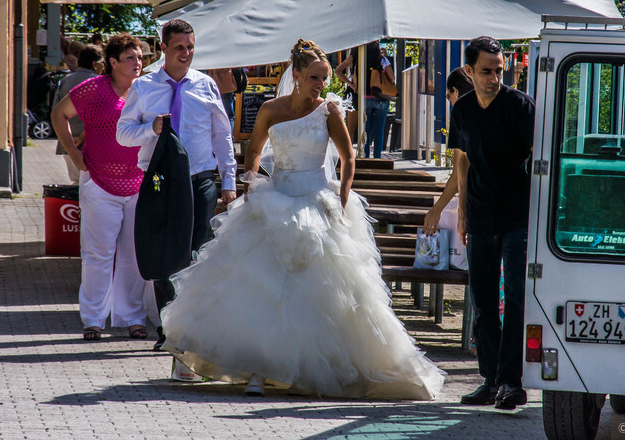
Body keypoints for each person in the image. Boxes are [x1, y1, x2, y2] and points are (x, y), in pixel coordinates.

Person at [161, 39, 445, 399]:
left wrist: (341, 202)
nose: (319, 85)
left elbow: (348, 158)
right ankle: (256, 369)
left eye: (324, 78)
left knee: (323, 291)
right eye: (314, 77)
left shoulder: (329, 111)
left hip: (315, 199)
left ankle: (313, 369)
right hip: (275, 197)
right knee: (261, 287)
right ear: (295, 75)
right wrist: (250, 177)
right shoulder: (270, 108)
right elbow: (254, 148)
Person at [117, 19, 238, 351]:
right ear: (164, 49)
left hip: (199, 180)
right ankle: (169, 329)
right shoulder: (144, 88)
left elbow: (222, 135)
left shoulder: (206, 85)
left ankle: (192, 329)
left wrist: (229, 180)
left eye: (191, 47)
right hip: (160, 181)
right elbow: (122, 134)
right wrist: (150, 129)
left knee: (195, 253)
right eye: (180, 47)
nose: (186, 53)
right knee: (162, 253)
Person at [448, 36, 534, 410]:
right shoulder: (463, 109)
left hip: (518, 215)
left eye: (500, 70)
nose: (495, 77)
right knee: (483, 300)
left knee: (514, 299)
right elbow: (462, 158)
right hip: (481, 216)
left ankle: (512, 383)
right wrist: (462, 210)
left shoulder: (520, 106)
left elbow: (539, 156)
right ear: (469, 71)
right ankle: (489, 379)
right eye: (486, 71)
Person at [51, 33, 150, 342]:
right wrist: (73, 153)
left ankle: (132, 317)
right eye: (131, 58)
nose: (138, 63)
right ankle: (93, 319)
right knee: (98, 255)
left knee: (133, 255)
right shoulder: (94, 89)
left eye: (140, 57)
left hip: (137, 184)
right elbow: (59, 114)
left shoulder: (146, 91)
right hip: (99, 183)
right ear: (112, 63)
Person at [422, 67, 475, 235]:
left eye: (448, 96)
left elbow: (459, 173)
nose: (449, 100)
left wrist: (436, 210)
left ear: (456, 91)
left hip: (479, 206)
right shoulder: (495, 107)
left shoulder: (463, 114)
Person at [53, 45, 104, 184]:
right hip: (91, 143)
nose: (103, 66)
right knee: (92, 185)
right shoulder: (99, 83)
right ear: (94, 64)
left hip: (67, 142)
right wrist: (82, 138)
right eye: (102, 63)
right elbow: (101, 117)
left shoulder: (64, 81)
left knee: (76, 183)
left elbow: (55, 112)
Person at [206, 67, 248, 133]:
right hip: (227, 87)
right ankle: (229, 137)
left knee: (213, 116)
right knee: (229, 116)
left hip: (213, 87)